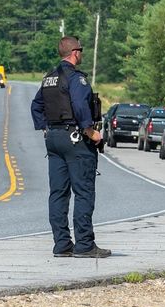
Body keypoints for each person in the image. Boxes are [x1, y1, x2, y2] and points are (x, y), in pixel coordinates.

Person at [30, 36, 111, 258]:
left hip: (54, 139)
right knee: (83, 192)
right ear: (75, 52)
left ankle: (62, 244)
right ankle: (85, 245)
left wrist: (45, 128)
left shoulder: (50, 78)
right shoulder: (76, 79)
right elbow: (78, 103)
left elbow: (36, 105)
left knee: (58, 193)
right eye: (81, 50)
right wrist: (90, 131)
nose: (82, 53)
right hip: (75, 139)